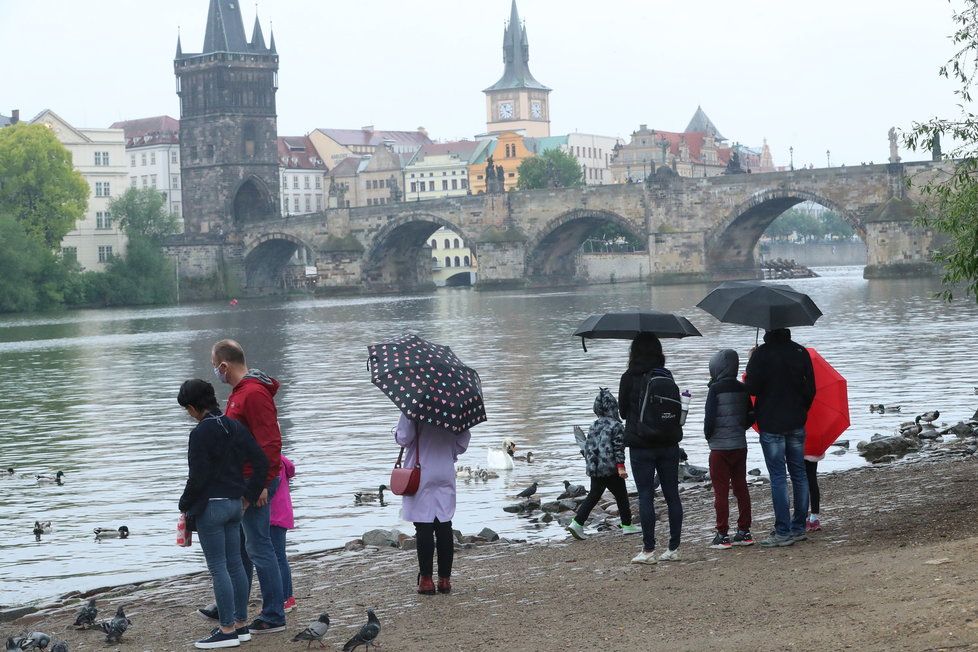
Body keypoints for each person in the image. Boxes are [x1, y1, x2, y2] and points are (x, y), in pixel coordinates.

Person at [178, 379, 268, 649]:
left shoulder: (200, 433)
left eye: (188, 410)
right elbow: (261, 462)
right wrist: (249, 496)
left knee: (218, 568)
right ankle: (241, 625)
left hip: (212, 508)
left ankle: (226, 629)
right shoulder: (233, 425)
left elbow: (198, 477)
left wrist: (184, 504)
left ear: (194, 407)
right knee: (235, 565)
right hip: (234, 504)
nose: (189, 415)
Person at [206, 339, 286, 633]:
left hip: (256, 483)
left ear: (224, 366)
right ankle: (234, 608)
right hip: (244, 482)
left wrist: (260, 485)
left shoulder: (252, 394)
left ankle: (274, 614)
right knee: (241, 549)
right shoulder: (239, 393)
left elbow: (270, 442)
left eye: (215, 366)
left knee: (259, 547)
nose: (215, 371)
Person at [745, 328, 815, 547]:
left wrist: (751, 361)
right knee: (799, 474)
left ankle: (782, 531)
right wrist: (801, 410)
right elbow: (810, 390)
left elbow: (751, 388)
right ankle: (798, 528)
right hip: (796, 421)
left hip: (771, 423)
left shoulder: (761, 354)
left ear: (767, 330)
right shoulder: (800, 352)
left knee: (778, 477)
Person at [618, 333, 684, 565]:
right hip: (669, 443)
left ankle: (648, 551)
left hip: (641, 444)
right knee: (672, 494)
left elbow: (623, 412)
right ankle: (674, 548)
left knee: (646, 494)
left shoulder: (628, 377)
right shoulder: (666, 375)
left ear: (633, 352)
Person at [394, 413, 471, 595]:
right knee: (444, 523)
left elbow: (404, 437)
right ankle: (445, 580)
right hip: (445, 469)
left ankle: (426, 581)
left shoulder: (414, 407)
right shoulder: (454, 407)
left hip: (420, 471)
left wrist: (395, 433)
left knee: (423, 526)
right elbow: (462, 443)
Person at [566, 388, 639, 540]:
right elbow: (619, 447)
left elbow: (588, 447)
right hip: (611, 468)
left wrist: (590, 463)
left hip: (595, 468)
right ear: (614, 407)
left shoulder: (594, 425)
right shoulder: (616, 425)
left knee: (593, 495)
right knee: (621, 496)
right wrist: (621, 467)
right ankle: (627, 525)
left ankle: (577, 523)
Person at [703, 349, 755, 549]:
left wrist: (709, 437)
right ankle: (744, 531)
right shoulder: (743, 389)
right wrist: (740, 428)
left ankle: (722, 534)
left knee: (721, 491)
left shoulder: (715, 389)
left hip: (719, 448)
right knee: (741, 487)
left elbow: (709, 419)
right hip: (739, 445)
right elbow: (750, 415)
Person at [269, 454, 296, 612]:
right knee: (280, 556)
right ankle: (288, 597)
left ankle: (285, 597)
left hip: (274, 515)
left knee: (278, 557)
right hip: (283, 513)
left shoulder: (272, 460)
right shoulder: (282, 460)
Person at [805, 454, 822, 532]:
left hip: (797, 451)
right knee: (813, 481)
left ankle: (804, 518)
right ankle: (814, 518)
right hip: (813, 452)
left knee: (800, 485)